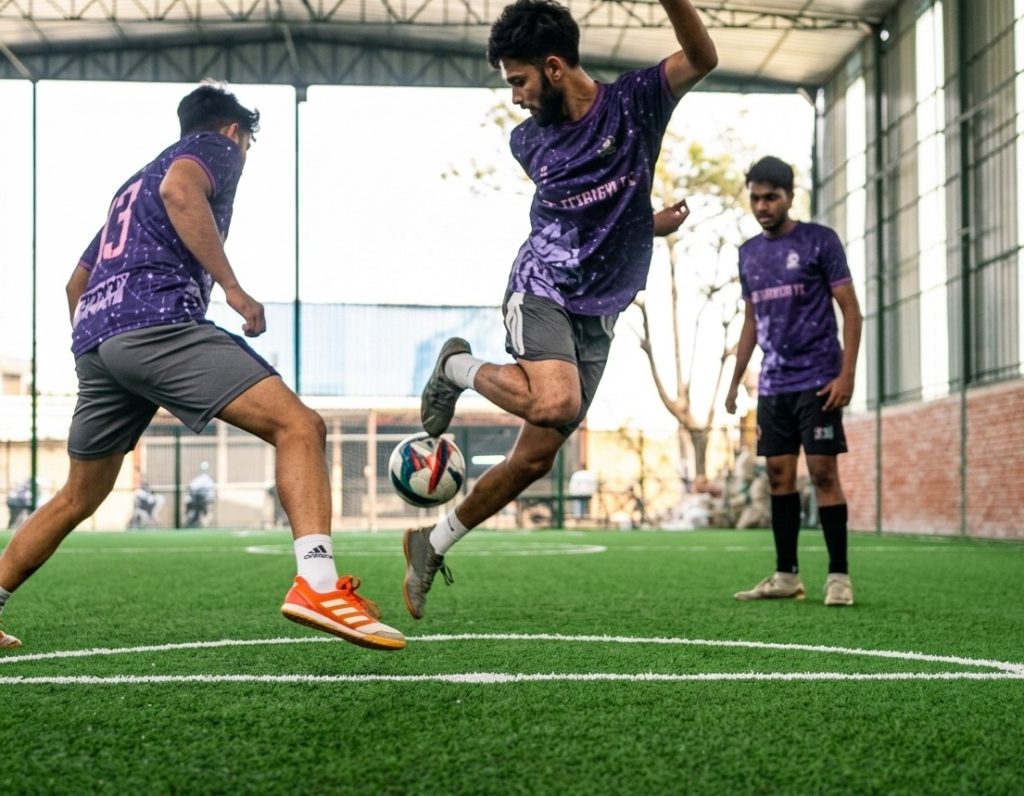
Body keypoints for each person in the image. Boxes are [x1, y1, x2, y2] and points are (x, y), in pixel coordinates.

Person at [0, 84, 404, 652]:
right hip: (155, 322)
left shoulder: (128, 188)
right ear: (234, 131)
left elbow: (76, 281)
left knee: (76, 497)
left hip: (96, 342)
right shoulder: (213, 148)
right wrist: (234, 291)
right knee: (300, 426)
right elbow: (181, 190)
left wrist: (99, 348)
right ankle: (317, 585)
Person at [402, 0, 717, 619]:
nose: (515, 97)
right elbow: (576, 210)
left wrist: (645, 225)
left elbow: (702, 58)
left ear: (552, 67)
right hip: (541, 285)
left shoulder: (636, 103)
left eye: (518, 80)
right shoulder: (529, 140)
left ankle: (430, 545)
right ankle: (455, 370)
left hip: (600, 311)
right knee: (556, 402)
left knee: (536, 457)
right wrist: (635, 222)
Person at [724, 155, 863, 607]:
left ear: (789, 197)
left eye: (771, 197)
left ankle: (838, 577)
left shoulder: (819, 242)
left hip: (820, 378)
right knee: (779, 475)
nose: (762, 206)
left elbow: (852, 311)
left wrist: (846, 374)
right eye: (756, 198)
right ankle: (787, 576)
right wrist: (733, 382)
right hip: (773, 384)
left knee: (823, 474)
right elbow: (751, 321)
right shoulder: (748, 253)